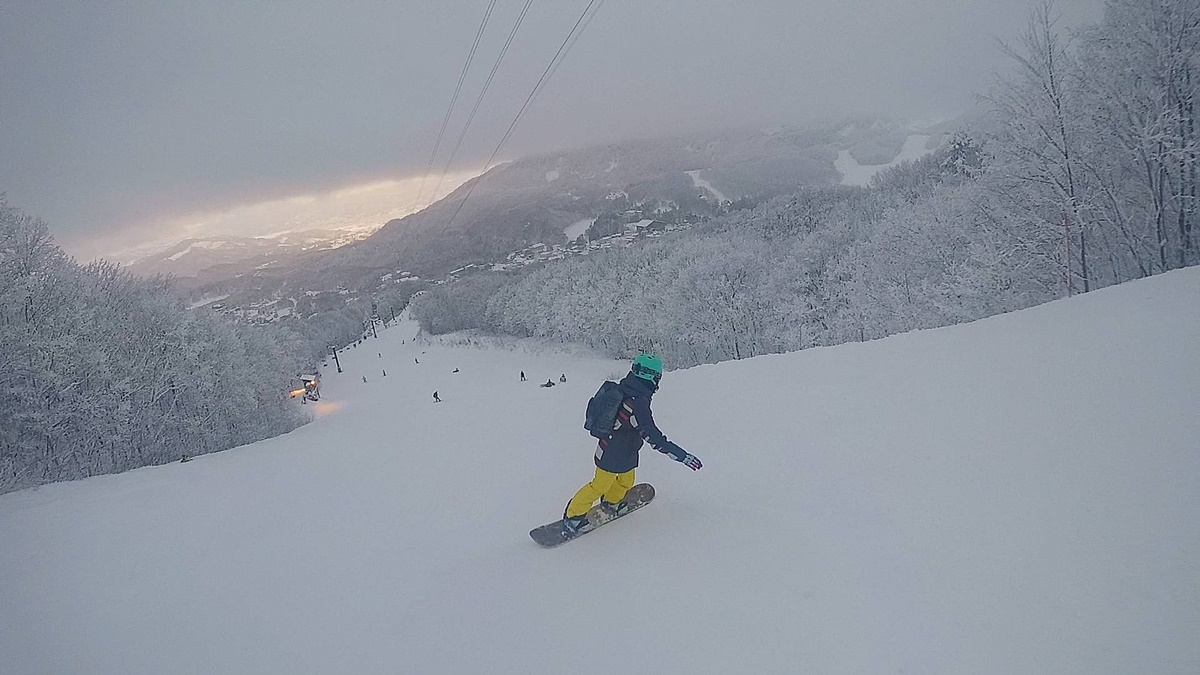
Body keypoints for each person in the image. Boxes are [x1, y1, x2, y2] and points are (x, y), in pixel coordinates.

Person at [562, 353, 702, 534]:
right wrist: (682, 456)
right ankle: (573, 516)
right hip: (610, 452)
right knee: (599, 485)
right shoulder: (638, 403)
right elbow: (654, 437)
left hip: (625, 451)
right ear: (653, 377)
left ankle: (611, 502)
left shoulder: (626, 388)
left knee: (626, 481)